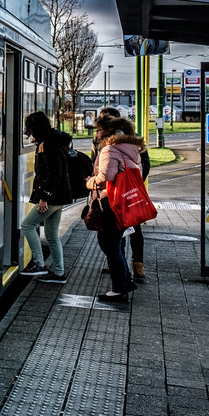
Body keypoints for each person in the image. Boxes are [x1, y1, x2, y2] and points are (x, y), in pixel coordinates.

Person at [86, 115, 145, 301]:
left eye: (99, 130)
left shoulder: (110, 149)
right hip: (123, 202)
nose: (96, 134)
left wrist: (89, 182)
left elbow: (105, 178)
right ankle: (125, 281)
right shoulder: (130, 148)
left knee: (111, 246)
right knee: (108, 242)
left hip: (111, 201)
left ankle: (119, 290)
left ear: (108, 132)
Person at [95, 106, 151, 279]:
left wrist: (128, 184)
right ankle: (121, 263)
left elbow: (144, 165)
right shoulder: (105, 141)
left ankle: (132, 265)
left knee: (126, 229)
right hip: (125, 192)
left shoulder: (122, 142)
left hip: (121, 193)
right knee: (123, 229)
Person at [20, 111, 72, 283]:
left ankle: (39, 264)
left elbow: (54, 174)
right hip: (60, 196)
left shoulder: (49, 144)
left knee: (27, 225)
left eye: (30, 127)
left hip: (53, 197)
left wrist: (45, 197)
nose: (29, 131)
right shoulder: (52, 141)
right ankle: (58, 273)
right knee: (51, 235)